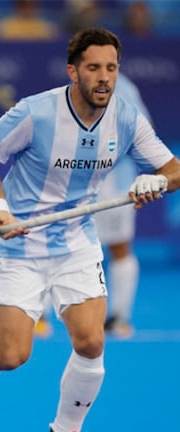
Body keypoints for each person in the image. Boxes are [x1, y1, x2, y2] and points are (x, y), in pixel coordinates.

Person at [0, 28, 180, 432]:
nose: (104, 77)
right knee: (11, 356)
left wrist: (155, 181)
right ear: (73, 71)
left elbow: (172, 168)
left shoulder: (125, 119)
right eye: (93, 68)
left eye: (111, 68)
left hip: (76, 244)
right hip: (17, 244)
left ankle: (65, 428)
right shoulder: (36, 112)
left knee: (91, 342)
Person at [36, 72, 152, 340]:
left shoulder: (124, 90)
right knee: (52, 243)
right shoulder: (68, 92)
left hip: (114, 186)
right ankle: (40, 316)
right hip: (73, 185)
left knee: (119, 246)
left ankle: (119, 318)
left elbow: (141, 134)